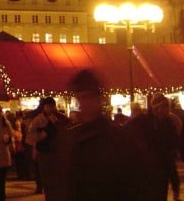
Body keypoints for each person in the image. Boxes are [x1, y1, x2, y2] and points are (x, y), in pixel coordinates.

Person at [64, 69, 149, 201]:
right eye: (80, 98)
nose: (83, 104)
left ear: (98, 99)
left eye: (87, 97)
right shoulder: (75, 137)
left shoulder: (118, 138)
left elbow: (134, 182)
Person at [125, 92, 179, 201]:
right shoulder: (146, 123)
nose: (164, 110)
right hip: (148, 172)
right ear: (156, 109)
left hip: (161, 172)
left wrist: (175, 183)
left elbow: (170, 155)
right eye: (162, 107)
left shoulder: (169, 124)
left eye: (166, 107)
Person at [25, 97, 69, 198]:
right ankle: (41, 186)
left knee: (55, 172)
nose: (50, 108)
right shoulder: (38, 119)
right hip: (43, 149)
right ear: (44, 107)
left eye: (52, 106)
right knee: (43, 171)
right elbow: (31, 135)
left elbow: (66, 130)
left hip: (57, 149)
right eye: (48, 106)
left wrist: (57, 124)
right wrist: (42, 135)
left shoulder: (61, 117)